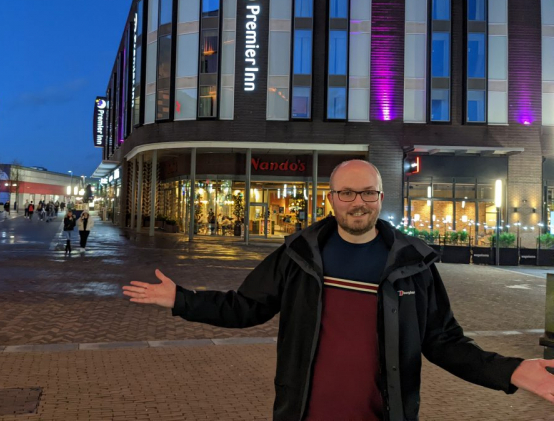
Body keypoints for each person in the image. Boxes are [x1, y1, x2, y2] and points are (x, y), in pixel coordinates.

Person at [123, 159, 554, 420]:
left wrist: (511, 371)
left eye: (367, 192)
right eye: (347, 193)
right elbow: (246, 307)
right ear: (331, 198)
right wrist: (182, 300)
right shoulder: (299, 255)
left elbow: (443, 341)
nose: (357, 202)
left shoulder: (412, 265)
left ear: (380, 197)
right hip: (303, 414)